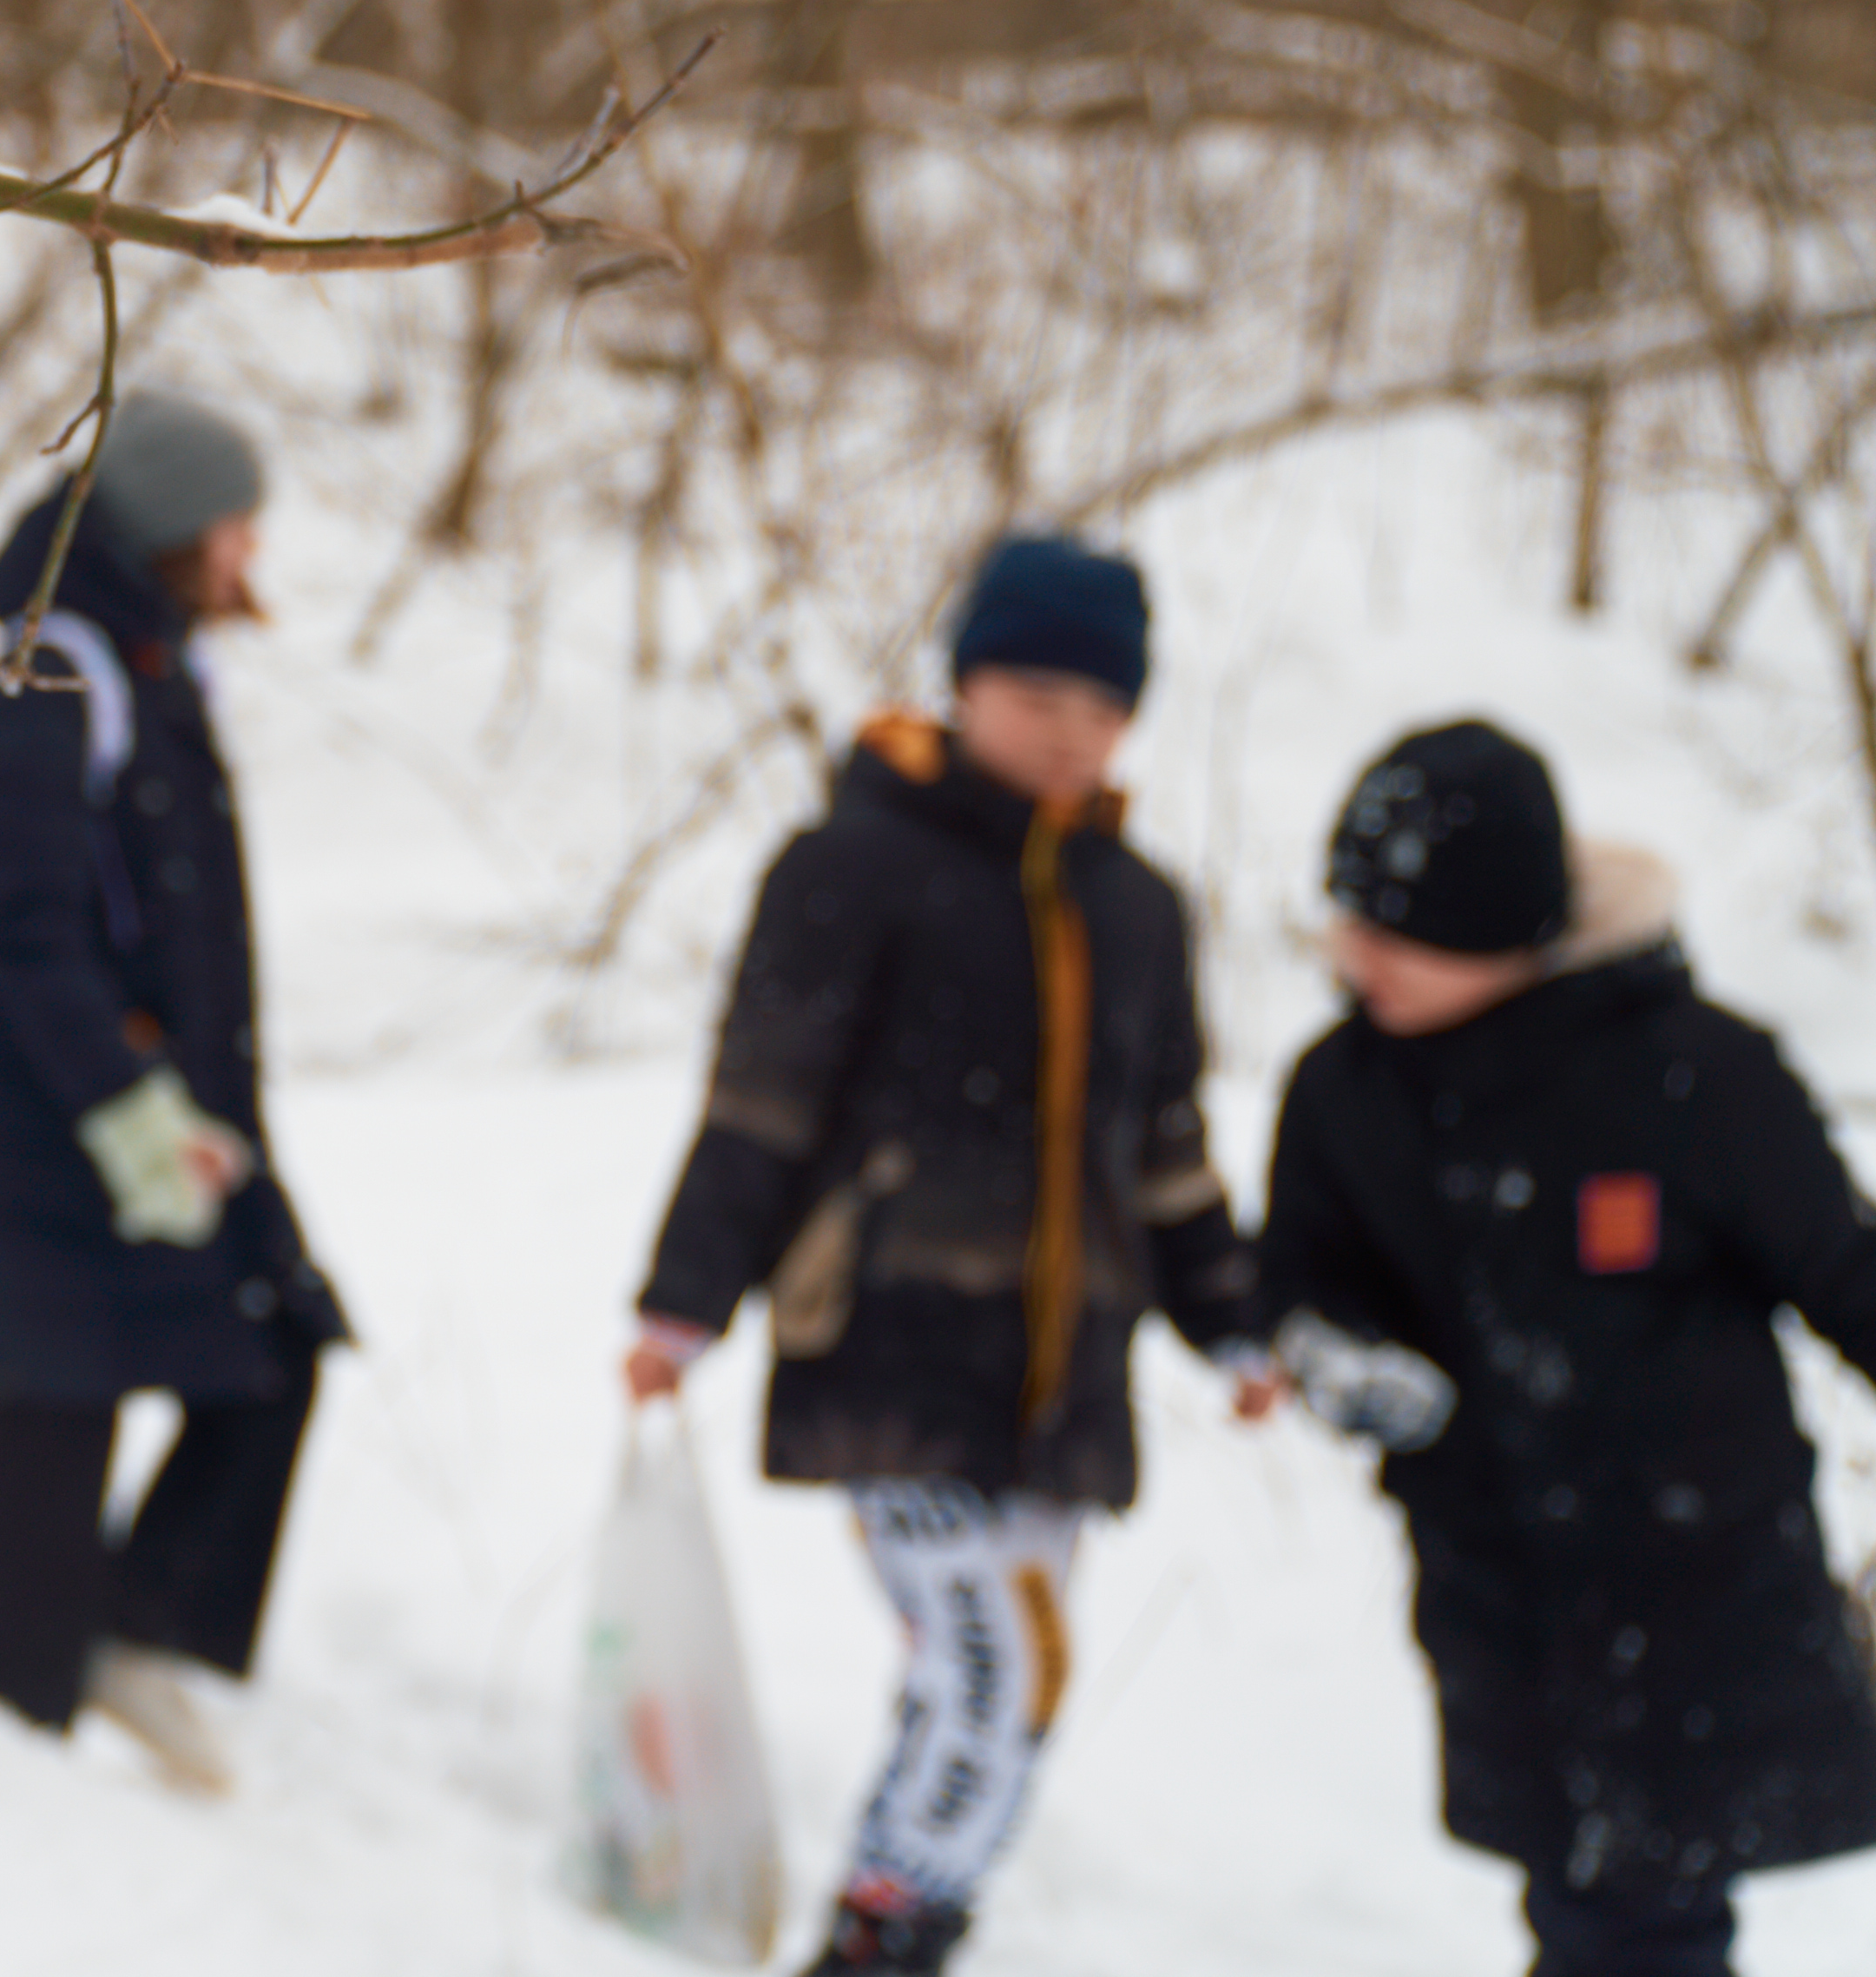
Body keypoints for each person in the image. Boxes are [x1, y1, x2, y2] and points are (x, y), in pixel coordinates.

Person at [624, 530, 1271, 1972]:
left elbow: (1168, 1149)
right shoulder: (853, 865)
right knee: (1006, 1665)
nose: (1071, 736)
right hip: (893, 1343)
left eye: (1104, 710)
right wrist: (683, 1306)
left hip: (1065, 1374)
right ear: (968, 685)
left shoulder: (1142, 908)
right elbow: (759, 1104)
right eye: (1039, 697)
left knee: (979, 1678)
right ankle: (889, 1934)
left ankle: (896, 1914)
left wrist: (1229, 1320)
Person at [1262, 721, 1876, 1977]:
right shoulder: (1345, 1091)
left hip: (1695, 1581)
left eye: (1395, 931)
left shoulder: (1690, 1076)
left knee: (1640, 1913)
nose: (1350, 953)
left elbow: (1845, 1271)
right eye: (1346, 917)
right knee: (1591, 1899)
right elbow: (1303, 1282)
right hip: (1496, 1589)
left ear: (1508, 938)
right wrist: (1343, 1365)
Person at [0, 386, 346, 1794]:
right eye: (235, 527)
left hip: (164, 1104)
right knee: (61, 1397)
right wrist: (128, 1103)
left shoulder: (147, 661)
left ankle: (124, 1637)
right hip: (66, 1114)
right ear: (175, 527)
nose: (249, 556)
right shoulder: (53, 668)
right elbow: (27, 920)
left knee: (273, 1347)